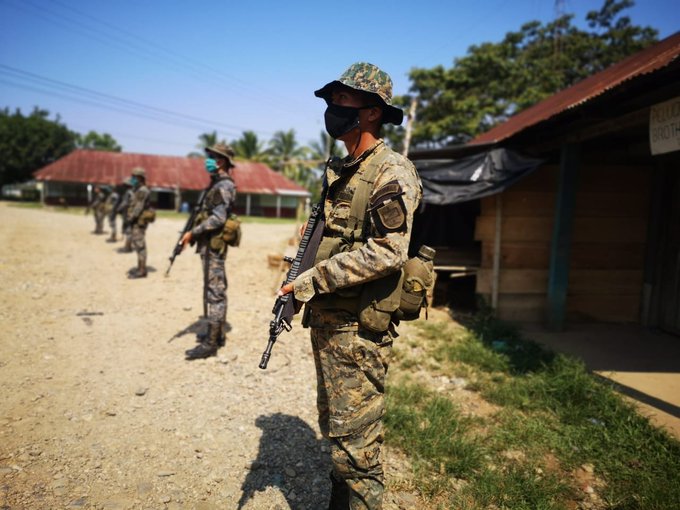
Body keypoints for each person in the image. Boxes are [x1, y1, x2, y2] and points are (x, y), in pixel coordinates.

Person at [278, 62, 422, 509]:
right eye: (331, 101)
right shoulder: (342, 169)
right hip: (329, 323)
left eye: (342, 101)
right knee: (337, 436)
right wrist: (296, 270)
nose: (333, 109)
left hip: (358, 331)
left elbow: (388, 251)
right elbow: (328, 238)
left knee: (357, 451)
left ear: (373, 112)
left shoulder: (390, 172)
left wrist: (313, 279)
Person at [179, 143, 237, 360]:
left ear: (221, 160)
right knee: (213, 289)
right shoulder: (217, 184)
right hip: (209, 245)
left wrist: (193, 232)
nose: (208, 161)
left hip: (214, 246)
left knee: (215, 291)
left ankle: (211, 342)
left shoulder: (224, 186)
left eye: (212, 157)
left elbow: (218, 218)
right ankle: (216, 332)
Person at [126, 167, 152, 279]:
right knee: (137, 244)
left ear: (140, 177)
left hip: (138, 221)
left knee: (140, 245)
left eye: (134, 176)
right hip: (136, 221)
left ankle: (142, 270)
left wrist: (131, 218)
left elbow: (139, 207)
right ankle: (140, 267)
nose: (132, 178)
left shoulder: (143, 190)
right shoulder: (138, 189)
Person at [117, 178, 135, 252]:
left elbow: (125, 203)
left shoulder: (128, 192)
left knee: (128, 230)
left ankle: (127, 247)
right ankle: (129, 246)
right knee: (130, 230)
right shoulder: (133, 192)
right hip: (131, 213)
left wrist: (118, 209)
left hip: (128, 214)